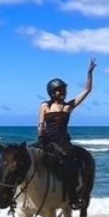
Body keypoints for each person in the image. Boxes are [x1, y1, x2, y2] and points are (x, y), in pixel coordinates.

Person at [37, 58, 96, 206]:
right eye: (59, 90)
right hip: (46, 139)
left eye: (63, 89)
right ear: (52, 92)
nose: (62, 92)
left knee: (70, 164)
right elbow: (40, 124)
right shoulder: (45, 105)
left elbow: (87, 90)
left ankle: (73, 196)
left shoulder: (69, 106)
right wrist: (41, 137)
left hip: (63, 141)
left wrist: (89, 73)